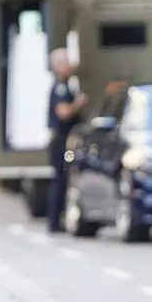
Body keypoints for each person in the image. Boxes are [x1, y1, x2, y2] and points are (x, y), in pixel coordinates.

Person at [47, 48, 87, 233]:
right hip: (61, 141)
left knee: (62, 179)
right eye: (67, 62)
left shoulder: (65, 84)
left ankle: (57, 219)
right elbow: (63, 112)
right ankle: (54, 221)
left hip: (63, 139)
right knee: (61, 180)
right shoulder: (61, 87)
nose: (71, 66)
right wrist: (78, 103)